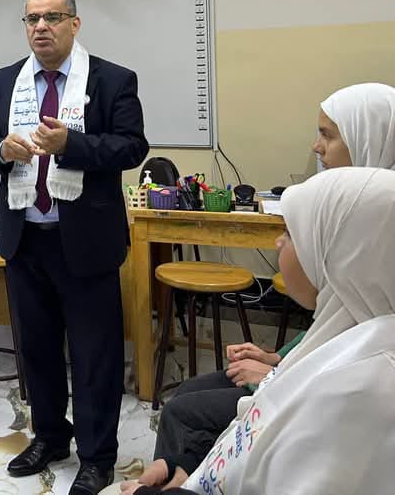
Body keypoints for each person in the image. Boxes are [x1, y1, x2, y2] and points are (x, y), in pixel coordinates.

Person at [130, 81, 395, 490]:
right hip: (295, 378)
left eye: (327, 134)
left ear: (367, 138)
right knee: (188, 400)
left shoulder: (373, 225)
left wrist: (276, 373)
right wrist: (278, 359)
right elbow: (330, 326)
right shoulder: (363, 242)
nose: (316, 147)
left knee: (184, 412)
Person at [0, 0, 148, 495]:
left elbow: (131, 147)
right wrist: (1, 151)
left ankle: (97, 456)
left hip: (86, 242)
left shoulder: (113, 79)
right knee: (38, 349)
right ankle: (50, 437)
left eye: (51, 17)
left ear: (75, 23)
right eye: (32, 18)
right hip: (24, 237)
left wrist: (72, 144)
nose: (41, 27)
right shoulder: (6, 80)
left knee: (94, 357)